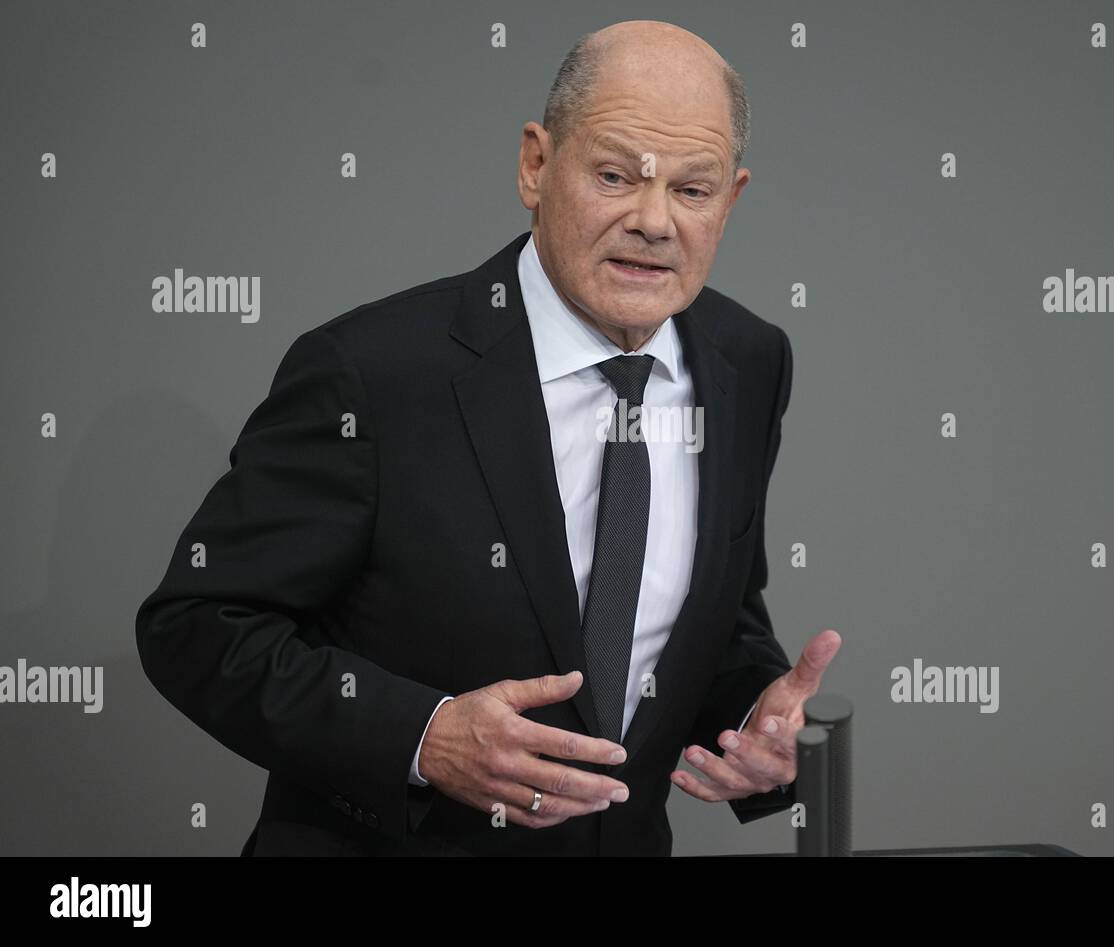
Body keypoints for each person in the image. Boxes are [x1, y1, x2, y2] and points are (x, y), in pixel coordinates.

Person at [135, 18, 841, 857]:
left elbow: (715, 622)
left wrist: (754, 720)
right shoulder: (372, 373)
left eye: (693, 190)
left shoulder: (747, 362)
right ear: (536, 165)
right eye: (615, 175)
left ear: (732, 197)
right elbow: (196, 626)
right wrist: (424, 737)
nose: (655, 222)